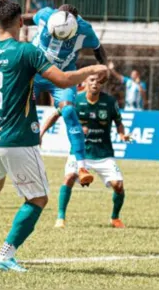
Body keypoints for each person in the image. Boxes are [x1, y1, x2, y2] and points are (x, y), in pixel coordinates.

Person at [0, 0, 107, 272]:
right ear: (21, 23)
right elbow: (64, 80)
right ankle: (4, 255)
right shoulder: (27, 52)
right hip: (19, 139)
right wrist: (93, 69)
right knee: (37, 199)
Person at [22, 4, 107, 187]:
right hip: (34, 72)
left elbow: (98, 49)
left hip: (63, 76)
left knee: (68, 111)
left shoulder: (85, 30)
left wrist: (104, 67)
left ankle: (82, 167)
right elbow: (25, 19)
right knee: (17, 108)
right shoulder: (45, 15)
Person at [40, 73, 132, 229]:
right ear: (85, 82)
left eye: (99, 81)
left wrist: (122, 134)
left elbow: (118, 122)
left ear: (102, 84)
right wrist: (41, 133)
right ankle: (60, 218)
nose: (95, 83)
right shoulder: (75, 100)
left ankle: (115, 218)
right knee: (69, 177)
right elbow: (55, 115)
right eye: (92, 80)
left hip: (103, 154)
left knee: (118, 185)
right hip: (78, 152)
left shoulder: (110, 102)